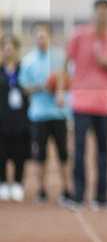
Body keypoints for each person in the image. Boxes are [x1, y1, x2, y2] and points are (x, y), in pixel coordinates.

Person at [66, 0, 107, 209]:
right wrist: (63, 91)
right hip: (81, 103)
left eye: (106, 12)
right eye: (99, 12)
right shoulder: (79, 35)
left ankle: (101, 196)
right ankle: (78, 195)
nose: (102, 16)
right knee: (79, 150)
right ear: (94, 13)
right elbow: (66, 62)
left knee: (102, 151)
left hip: (103, 104)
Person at [19, 23, 71, 203]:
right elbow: (24, 87)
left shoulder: (59, 58)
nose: (41, 39)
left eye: (44, 36)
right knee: (40, 155)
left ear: (50, 36)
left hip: (59, 114)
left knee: (63, 153)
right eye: (38, 36)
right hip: (38, 115)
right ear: (34, 38)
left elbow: (69, 79)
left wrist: (60, 90)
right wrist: (42, 87)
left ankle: (66, 189)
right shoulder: (28, 60)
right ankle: (41, 190)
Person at [0, 34, 30, 202]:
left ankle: (18, 183)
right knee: (1, 152)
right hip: (2, 119)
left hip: (20, 118)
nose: (8, 49)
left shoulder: (23, 69)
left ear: (16, 50)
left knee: (20, 152)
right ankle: (3, 182)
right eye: (5, 46)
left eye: (11, 46)